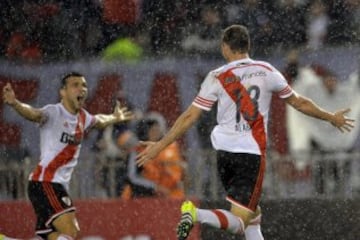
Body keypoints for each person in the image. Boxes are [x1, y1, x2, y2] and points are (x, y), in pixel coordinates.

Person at [136, 25, 355, 240]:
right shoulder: (266, 71)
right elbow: (299, 103)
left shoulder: (216, 76)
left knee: (253, 214)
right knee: (239, 222)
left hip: (223, 155)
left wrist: (160, 144)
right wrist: (331, 117)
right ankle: (195, 214)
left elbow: (189, 117)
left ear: (225, 48)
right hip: (250, 154)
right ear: (247, 45)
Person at [1, 72, 133, 240]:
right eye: (75, 85)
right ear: (63, 92)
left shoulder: (83, 117)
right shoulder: (54, 112)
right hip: (46, 182)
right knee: (71, 231)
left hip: (56, 185)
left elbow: (99, 120)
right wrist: (15, 104)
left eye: (84, 85)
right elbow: (34, 114)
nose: (82, 89)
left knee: (50, 235)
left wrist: (114, 117)